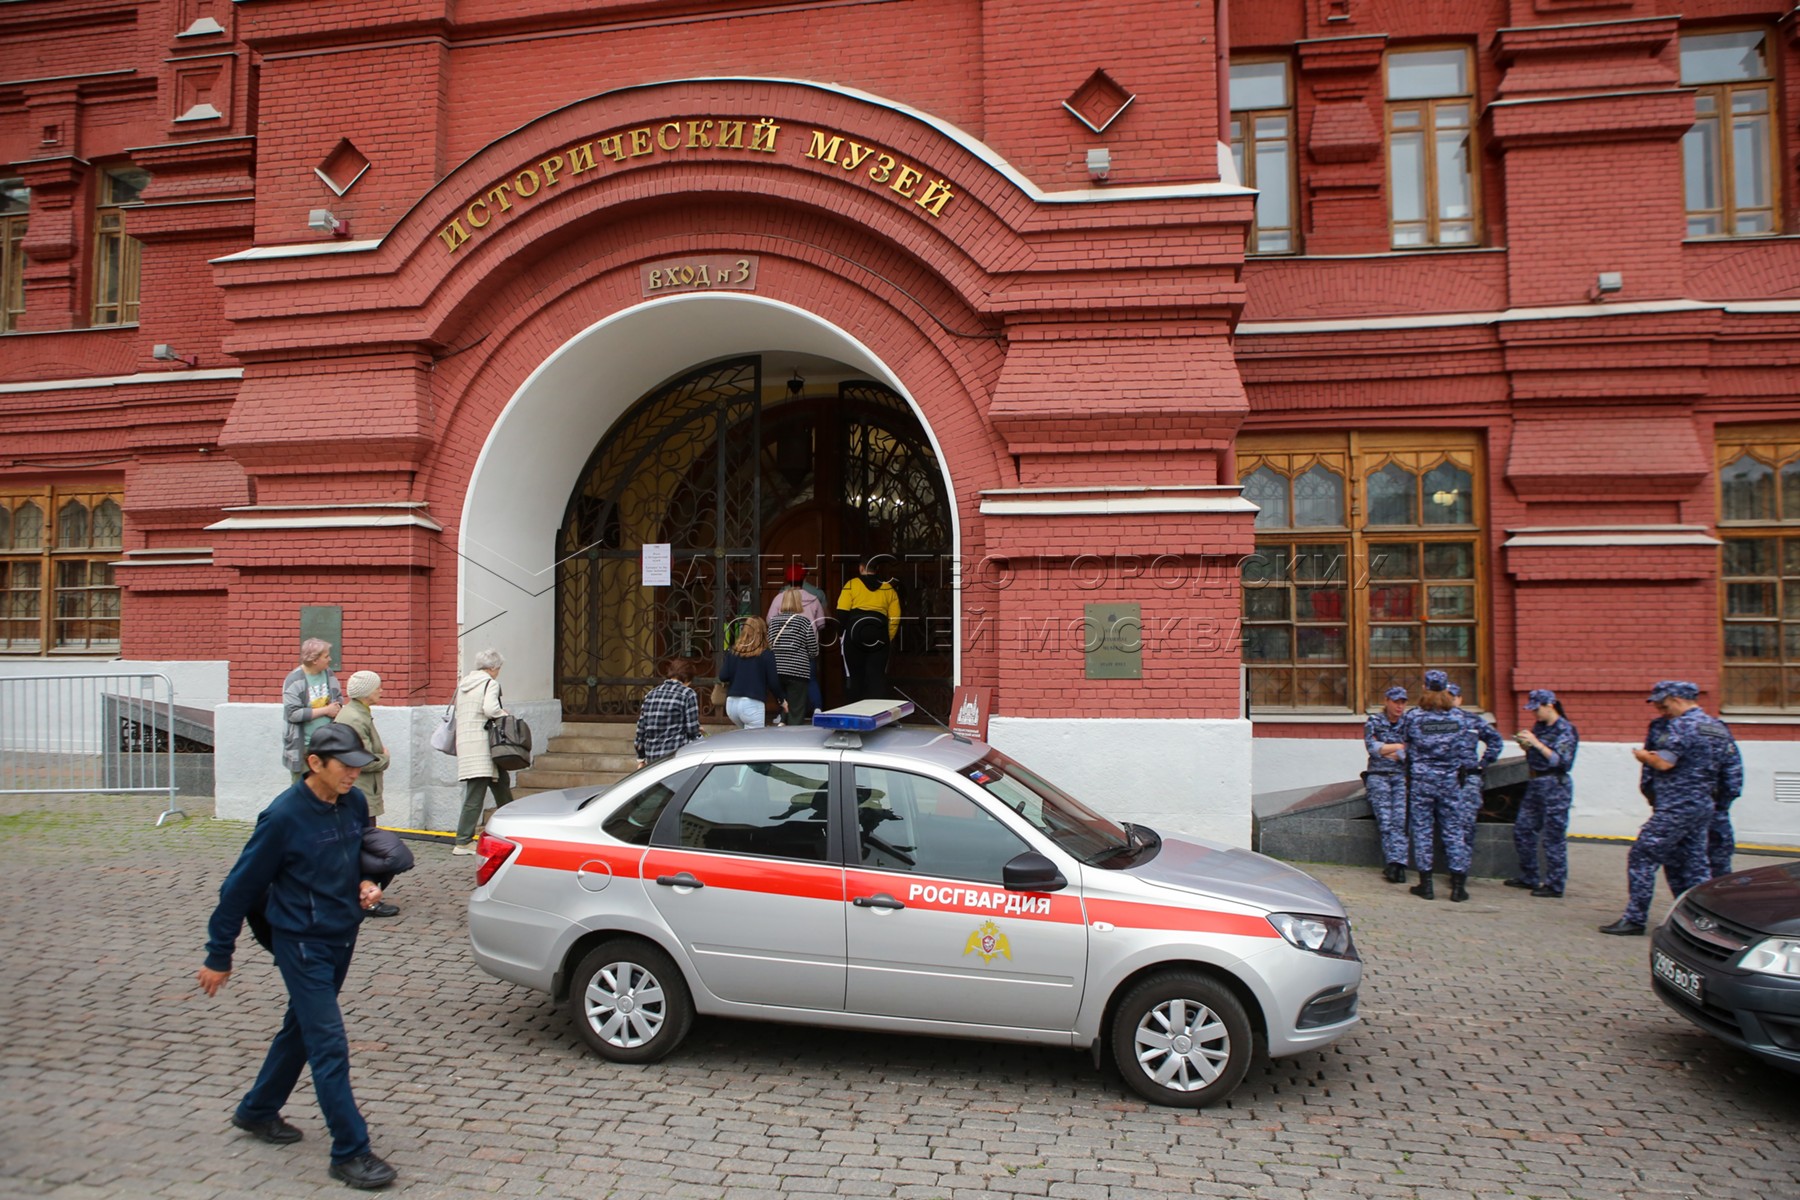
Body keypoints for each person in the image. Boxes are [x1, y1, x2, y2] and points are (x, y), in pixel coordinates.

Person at [195, 723, 398, 1192]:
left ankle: (258, 1110)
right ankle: (350, 1151)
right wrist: (218, 954)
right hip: (300, 942)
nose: (353, 773)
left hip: (341, 935)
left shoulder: (353, 803)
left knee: (300, 1030)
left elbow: (354, 862)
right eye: (344, 765)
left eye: (357, 765)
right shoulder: (283, 817)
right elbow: (237, 890)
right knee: (328, 1042)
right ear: (314, 764)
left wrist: (368, 885)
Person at [1603, 681, 1725, 935]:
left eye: (1664, 704)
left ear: (1678, 699)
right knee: (1695, 865)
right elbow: (1729, 769)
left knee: (1642, 855)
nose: (1661, 710)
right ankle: (1700, 923)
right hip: (1702, 804)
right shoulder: (1716, 727)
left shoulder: (1681, 725)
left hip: (1676, 805)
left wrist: (1644, 756)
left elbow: (1664, 763)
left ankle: (1635, 919)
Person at [1400, 670, 1482, 902]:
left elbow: (1407, 746)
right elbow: (1466, 748)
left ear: (1425, 687)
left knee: (1423, 830)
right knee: (1454, 830)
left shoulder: (1414, 717)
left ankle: (1426, 885)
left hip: (1422, 781)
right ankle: (1458, 886)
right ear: (1446, 689)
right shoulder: (1459, 717)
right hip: (1450, 780)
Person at [333, 671, 398, 918]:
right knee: (364, 847)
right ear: (366, 692)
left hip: (359, 791)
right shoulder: (355, 718)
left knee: (361, 845)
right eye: (378, 687)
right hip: (358, 792)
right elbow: (360, 758)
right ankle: (365, 899)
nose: (381, 691)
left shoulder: (358, 713)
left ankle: (361, 895)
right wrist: (384, 758)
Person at [1505, 688, 1579, 898]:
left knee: (1553, 836)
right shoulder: (1540, 726)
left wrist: (1536, 743)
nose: (1535, 714)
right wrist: (1527, 746)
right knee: (1523, 829)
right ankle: (1530, 875)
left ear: (1550, 706)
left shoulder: (1565, 729)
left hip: (1555, 783)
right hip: (1536, 781)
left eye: (1537, 710)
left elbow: (1561, 761)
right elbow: (1537, 753)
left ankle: (1555, 884)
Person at [452, 648, 512, 855]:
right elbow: (490, 709)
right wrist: (505, 714)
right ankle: (463, 840)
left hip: (467, 742)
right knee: (475, 793)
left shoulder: (464, 684)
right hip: (484, 745)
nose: (499, 671)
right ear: (493, 667)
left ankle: (512, 829)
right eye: (499, 668)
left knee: (501, 783)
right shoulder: (490, 683)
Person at [1362, 685, 1411, 884]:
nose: (1399, 707)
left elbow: (1411, 751)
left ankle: (1398, 864)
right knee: (1385, 820)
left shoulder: (1409, 723)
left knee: (1400, 821)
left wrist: (1390, 750)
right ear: (1387, 701)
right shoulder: (1375, 721)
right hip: (1378, 775)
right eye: (1396, 702)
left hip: (1401, 777)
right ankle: (1392, 862)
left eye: (1403, 703)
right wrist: (1399, 748)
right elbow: (1372, 748)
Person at [768, 562, 829, 714]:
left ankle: (783, 714)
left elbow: (770, 620)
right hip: (807, 648)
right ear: (804, 579)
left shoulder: (779, 598)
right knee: (811, 680)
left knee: (784, 681)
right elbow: (821, 624)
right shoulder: (814, 599)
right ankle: (817, 708)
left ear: (787, 580)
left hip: (782, 649)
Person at [836, 555, 900, 702]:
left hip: (855, 631)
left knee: (854, 675)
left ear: (861, 568)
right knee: (876, 676)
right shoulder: (888, 588)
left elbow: (842, 612)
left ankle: (854, 712)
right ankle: (876, 714)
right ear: (876, 569)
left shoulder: (852, 584)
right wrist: (887, 637)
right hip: (879, 631)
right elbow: (895, 618)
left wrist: (842, 634)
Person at [282, 639, 343, 782]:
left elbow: (338, 698)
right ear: (315, 660)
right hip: (304, 747)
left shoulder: (328, 674)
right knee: (302, 788)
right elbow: (293, 714)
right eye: (326, 656)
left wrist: (337, 707)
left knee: (326, 785)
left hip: (327, 743)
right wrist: (326, 710)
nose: (330, 659)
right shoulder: (294, 680)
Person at [719, 616, 786, 729]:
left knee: (744, 740)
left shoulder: (733, 652)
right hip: (752, 704)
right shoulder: (766, 655)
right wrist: (782, 700)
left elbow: (723, 676)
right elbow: (773, 682)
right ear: (763, 632)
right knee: (752, 742)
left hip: (731, 704)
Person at [634, 657, 703, 768]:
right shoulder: (688, 694)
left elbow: (641, 730)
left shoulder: (651, 694)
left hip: (652, 758)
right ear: (687, 679)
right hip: (676, 757)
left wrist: (641, 758)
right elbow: (692, 731)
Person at [769, 588, 820, 723]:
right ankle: (793, 736)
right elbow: (813, 649)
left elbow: (770, 645)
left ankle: (782, 725)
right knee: (796, 710)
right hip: (798, 671)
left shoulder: (774, 621)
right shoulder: (803, 622)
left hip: (777, 670)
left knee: (784, 706)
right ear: (798, 602)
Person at [1707, 711, 1744, 880]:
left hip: (1706, 807)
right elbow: (1733, 775)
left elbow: (1732, 776)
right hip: (1715, 807)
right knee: (1718, 862)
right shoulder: (1717, 728)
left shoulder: (1670, 729)